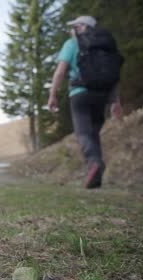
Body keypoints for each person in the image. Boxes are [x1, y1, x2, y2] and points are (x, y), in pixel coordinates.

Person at [47, 15, 122, 189]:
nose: (71, 30)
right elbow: (114, 75)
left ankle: (94, 163)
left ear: (82, 27)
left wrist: (52, 94)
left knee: (83, 133)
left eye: (74, 26)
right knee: (93, 134)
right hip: (102, 95)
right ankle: (96, 174)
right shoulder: (106, 47)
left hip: (80, 93)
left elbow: (60, 72)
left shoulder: (72, 44)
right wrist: (115, 101)